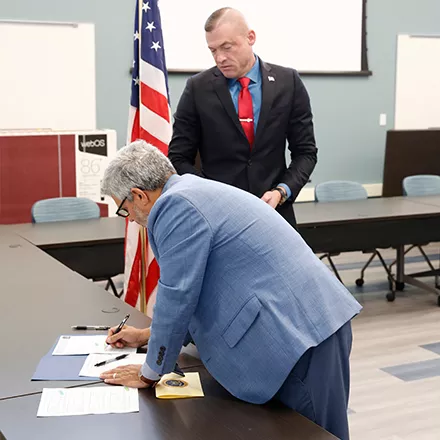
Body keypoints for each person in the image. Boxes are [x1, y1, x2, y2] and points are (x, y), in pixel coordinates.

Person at [100, 140, 361, 439]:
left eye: (124, 209)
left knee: (317, 433)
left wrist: (150, 372)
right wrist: (148, 335)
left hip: (301, 334)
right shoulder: (190, 191)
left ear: (138, 195)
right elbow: (198, 287)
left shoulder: (176, 205)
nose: (130, 219)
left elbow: (177, 295)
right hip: (298, 325)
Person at [167, 7, 317, 228]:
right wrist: (210, 195)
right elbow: (178, 157)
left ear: (251, 37)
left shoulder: (289, 82)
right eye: (213, 50)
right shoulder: (198, 88)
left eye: (227, 48)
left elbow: (306, 153)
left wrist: (281, 192)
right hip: (217, 218)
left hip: (275, 215)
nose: (220, 58)